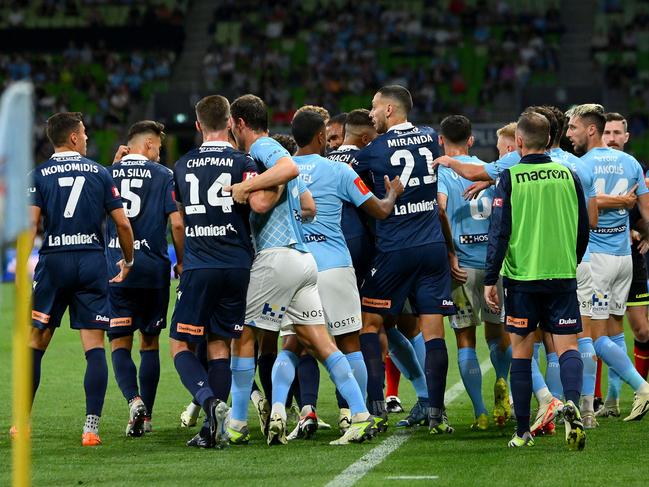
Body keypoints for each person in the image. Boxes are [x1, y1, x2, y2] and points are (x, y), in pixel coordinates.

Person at [226, 94, 379, 446]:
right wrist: (274, 196)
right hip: (302, 261)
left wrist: (248, 188)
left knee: (245, 337)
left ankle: (237, 422)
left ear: (240, 123)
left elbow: (289, 170)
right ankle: (359, 414)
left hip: (276, 257)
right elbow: (307, 204)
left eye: (233, 124)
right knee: (319, 343)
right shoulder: (269, 157)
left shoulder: (264, 147)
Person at [286, 109, 403, 439]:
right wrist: (393, 193)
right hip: (335, 265)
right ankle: (356, 413)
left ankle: (289, 412)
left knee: (295, 345)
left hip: (293, 267)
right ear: (322, 137)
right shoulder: (339, 169)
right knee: (350, 343)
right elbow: (379, 210)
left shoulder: (279, 170)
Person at [355, 85, 465, 434]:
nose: (370, 114)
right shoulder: (431, 138)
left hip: (395, 248)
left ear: (389, 110)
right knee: (433, 332)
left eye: (374, 108)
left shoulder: (374, 150)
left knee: (369, 323)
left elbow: (352, 171)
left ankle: (374, 409)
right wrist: (449, 251)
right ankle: (436, 413)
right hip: (431, 245)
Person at [25, 112, 134, 446]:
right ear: (72, 137)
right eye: (84, 133)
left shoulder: (39, 174)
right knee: (93, 346)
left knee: (37, 342)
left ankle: (22, 423)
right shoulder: (100, 173)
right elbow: (123, 224)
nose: (87, 138)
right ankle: (91, 429)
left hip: (55, 261)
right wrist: (128, 259)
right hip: (90, 261)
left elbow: (31, 227)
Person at [484, 110, 589, 449]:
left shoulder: (510, 177)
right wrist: (571, 259)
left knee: (522, 352)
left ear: (518, 142)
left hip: (522, 277)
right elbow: (583, 227)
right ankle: (571, 403)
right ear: (548, 140)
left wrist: (490, 278)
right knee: (567, 346)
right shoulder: (568, 174)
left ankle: (522, 431)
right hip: (561, 272)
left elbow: (499, 232)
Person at [169, 95, 263, 449]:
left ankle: (209, 401)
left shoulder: (182, 164)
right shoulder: (245, 161)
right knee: (220, 344)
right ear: (229, 122)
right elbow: (256, 204)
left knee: (180, 342)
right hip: (239, 264)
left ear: (197, 125)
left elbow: (179, 216)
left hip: (200, 264)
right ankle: (212, 431)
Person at [567, 103, 649, 421]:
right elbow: (645, 213)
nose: (570, 133)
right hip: (624, 257)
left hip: (595, 257)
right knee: (615, 330)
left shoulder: (581, 164)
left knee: (590, 335)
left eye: (573, 127)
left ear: (590, 130)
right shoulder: (630, 163)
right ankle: (613, 400)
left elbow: (585, 204)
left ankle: (629, 392)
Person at [107, 120, 184, 436]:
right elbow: (177, 225)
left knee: (119, 344)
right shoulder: (164, 176)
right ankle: (147, 417)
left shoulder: (107, 174)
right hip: (154, 269)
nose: (160, 153)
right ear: (149, 144)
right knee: (149, 343)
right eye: (159, 147)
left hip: (116, 267)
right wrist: (181, 264)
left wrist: (112, 168)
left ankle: (133, 400)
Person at [436, 115, 511, 431]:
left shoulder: (442, 172)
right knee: (499, 334)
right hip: (496, 267)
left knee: (465, 338)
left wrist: (449, 252)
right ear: (470, 140)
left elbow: (440, 208)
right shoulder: (487, 169)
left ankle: (480, 411)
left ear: (441, 140)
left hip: (461, 269)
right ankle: (503, 382)